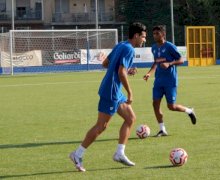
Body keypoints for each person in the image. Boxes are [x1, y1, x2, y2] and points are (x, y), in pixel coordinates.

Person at [69, 22, 147, 172]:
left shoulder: (121, 45)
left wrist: (125, 70)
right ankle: (77, 154)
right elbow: (120, 72)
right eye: (143, 37)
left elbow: (105, 63)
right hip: (111, 91)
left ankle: (120, 153)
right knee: (101, 127)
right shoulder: (129, 49)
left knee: (130, 118)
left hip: (114, 90)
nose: (144, 40)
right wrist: (130, 92)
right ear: (136, 35)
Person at [143, 25, 196, 137]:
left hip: (170, 81)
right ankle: (162, 129)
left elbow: (181, 60)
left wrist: (170, 63)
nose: (155, 35)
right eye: (154, 34)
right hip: (158, 81)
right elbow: (156, 63)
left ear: (163, 34)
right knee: (155, 104)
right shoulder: (153, 47)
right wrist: (149, 73)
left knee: (171, 106)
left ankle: (189, 111)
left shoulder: (170, 46)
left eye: (157, 33)